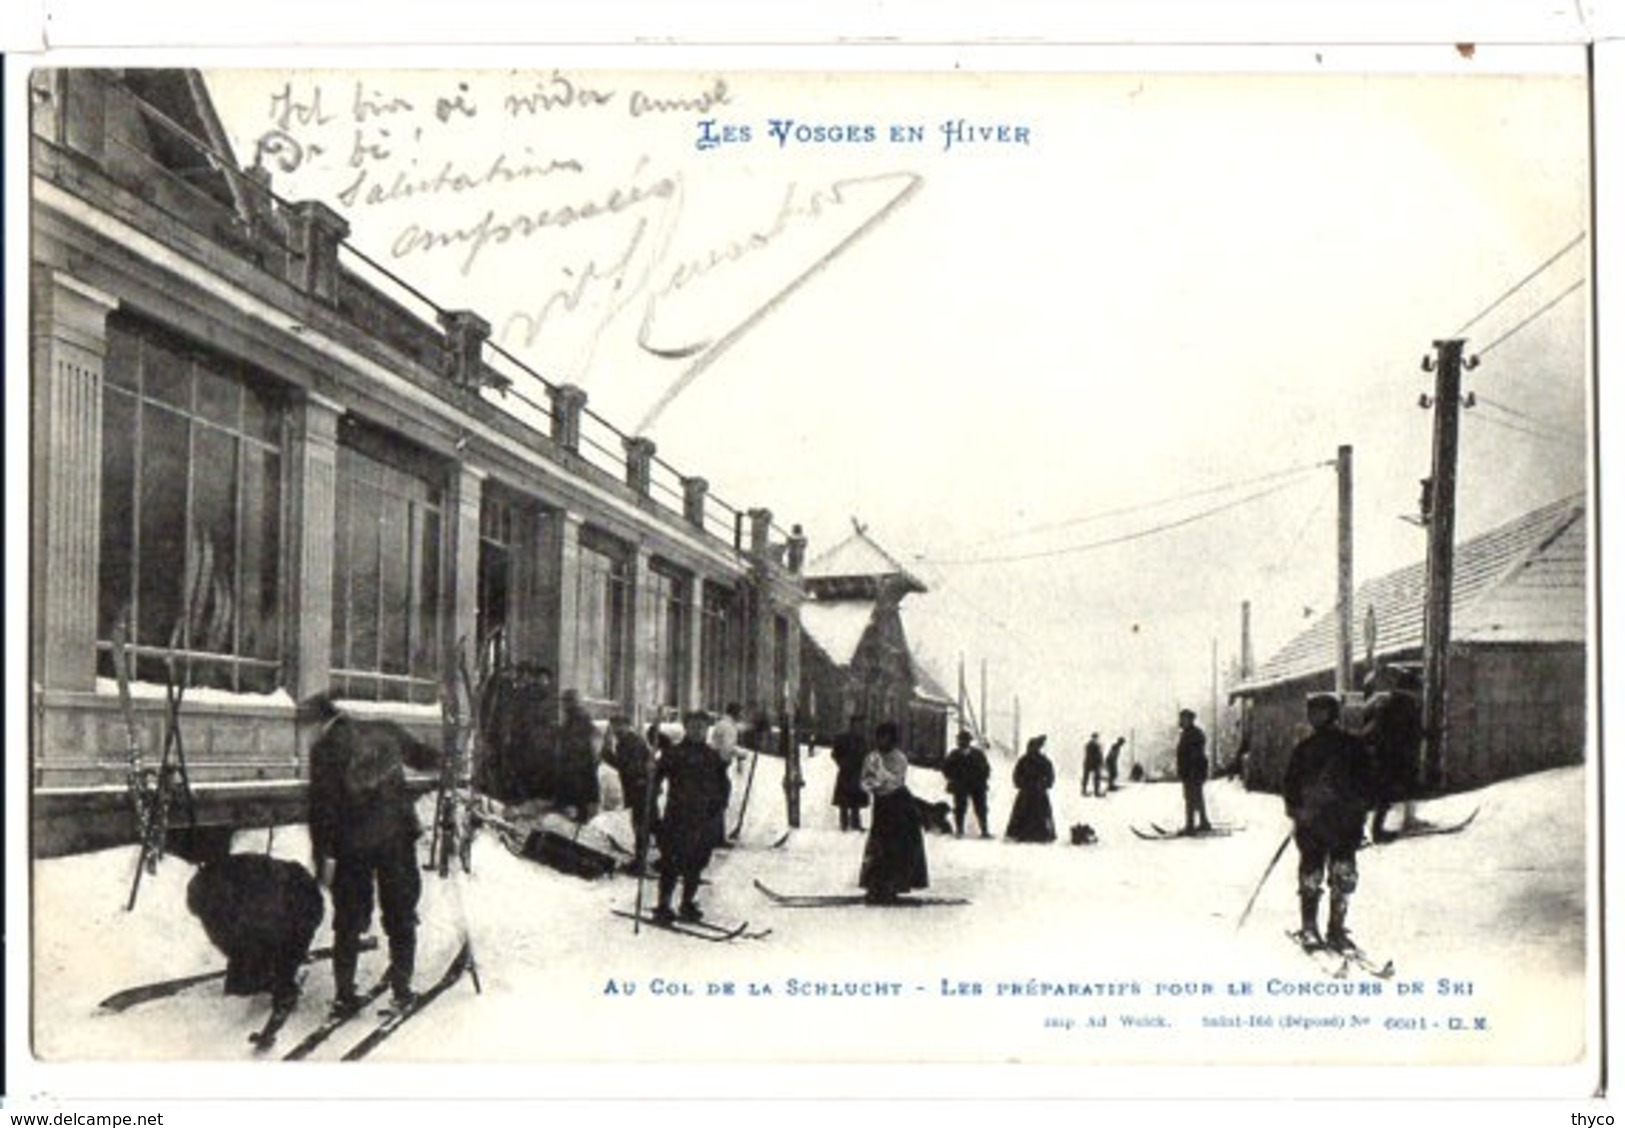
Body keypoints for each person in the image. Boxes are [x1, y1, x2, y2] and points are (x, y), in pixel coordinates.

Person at [306, 693, 439, 1015]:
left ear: (317, 723)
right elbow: (423, 758)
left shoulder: (323, 750)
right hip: (396, 838)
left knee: (348, 918)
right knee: (400, 911)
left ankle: (344, 994)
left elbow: (321, 807)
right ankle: (402, 989)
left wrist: (322, 853)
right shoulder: (385, 730)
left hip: (353, 844)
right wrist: (447, 757)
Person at [1283, 692, 1378, 951]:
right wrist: (1296, 810)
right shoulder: (1304, 750)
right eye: (1311, 712)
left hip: (1342, 823)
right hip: (1314, 824)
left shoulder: (1352, 747)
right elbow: (1291, 786)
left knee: (1342, 877)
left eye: (1319, 711)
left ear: (1332, 714)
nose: (1314, 717)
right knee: (1313, 876)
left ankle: (1335, 929)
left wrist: (1361, 808)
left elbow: (1368, 783)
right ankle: (1310, 928)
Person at [185, 850, 324, 1025]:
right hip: (247, 898)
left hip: (282, 901)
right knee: (254, 943)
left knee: (272, 945)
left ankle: (264, 981)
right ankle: (249, 981)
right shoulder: (219, 890)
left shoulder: (290, 897)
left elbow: (273, 937)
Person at [650, 711, 731, 923]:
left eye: (702, 727)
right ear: (686, 728)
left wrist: (719, 805)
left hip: (703, 819)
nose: (698, 731)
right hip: (677, 817)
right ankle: (663, 906)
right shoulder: (673, 753)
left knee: (696, 863)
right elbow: (655, 779)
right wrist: (652, 782)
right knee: (671, 863)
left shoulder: (712, 756)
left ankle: (687, 903)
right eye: (694, 726)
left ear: (707, 730)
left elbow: (724, 785)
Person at [858, 721, 930, 903]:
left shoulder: (899, 758)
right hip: (882, 806)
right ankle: (877, 887)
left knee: (898, 847)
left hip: (900, 806)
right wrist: (873, 783)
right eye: (880, 737)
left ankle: (895, 886)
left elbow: (894, 781)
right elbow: (865, 781)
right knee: (879, 847)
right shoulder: (871, 757)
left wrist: (878, 778)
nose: (882, 741)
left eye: (886, 737)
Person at [1359, 666, 1424, 843]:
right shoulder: (1406, 705)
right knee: (1383, 797)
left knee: (1377, 797)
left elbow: (1373, 729)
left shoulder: (1385, 703)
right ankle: (1376, 832)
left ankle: (1367, 832)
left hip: (1381, 756)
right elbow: (1412, 732)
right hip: (1392, 758)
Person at [603, 715, 656, 872]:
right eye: (613, 726)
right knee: (643, 825)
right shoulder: (627, 741)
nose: (616, 730)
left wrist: (607, 755)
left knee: (643, 825)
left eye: (619, 726)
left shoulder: (630, 743)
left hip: (641, 789)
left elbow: (629, 768)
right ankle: (642, 859)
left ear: (627, 725)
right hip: (639, 789)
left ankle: (641, 862)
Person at [556, 689, 602, 822]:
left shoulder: (578, 718)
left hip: (578, 765)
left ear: (572, 702)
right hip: (577, 764)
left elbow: (580, 741)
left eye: (565, 702)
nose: (562, 705)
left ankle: (580, 822)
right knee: (577, 799)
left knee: (578, 799)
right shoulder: (573, 717)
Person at [1005, 734, 1058, 843]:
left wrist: (1043, 784)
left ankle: (1032, 834)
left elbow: (1050, 777)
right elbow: (1016, 776)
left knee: (1035, 813)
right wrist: (1025, 784)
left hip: (1034, 793)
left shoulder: (1036, 760)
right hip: (1030, 793)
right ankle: (1034, 835)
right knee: (1028, 813)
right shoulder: (1027, 760)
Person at [942, 729, 993, 838]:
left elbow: (986, 769)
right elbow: (946, 769)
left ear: (969, 742)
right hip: (961, 786)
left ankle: (984, 831)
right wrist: (954, 778)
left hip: (977, 786)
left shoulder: (978, 754)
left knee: (981, 808)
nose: (963, 743)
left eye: (965, 741)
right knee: (960, 808)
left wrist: (982, 779)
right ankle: (959, 830)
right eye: (961, 741)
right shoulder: (953, 755)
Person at [830, 713, 871, 832]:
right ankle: (844, 824)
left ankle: (856, 823)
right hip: (846, 774)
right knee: (844, 801)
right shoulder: (844, 738)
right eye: (857, 725)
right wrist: (842, 763)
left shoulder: (862, 741)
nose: (860, 728)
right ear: (852, 726)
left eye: (861, 725)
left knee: (856, 802)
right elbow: (834, 753)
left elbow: (866, 755)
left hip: (858, 774)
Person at [1175, 708, 1212, 834]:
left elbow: (1195, 754)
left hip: (1193, 771)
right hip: (1191, 771)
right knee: (1196, 797)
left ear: (1190, 720)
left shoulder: (1194, 734)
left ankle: (1190, 826)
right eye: (1181, 718)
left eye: (1183, 719)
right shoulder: (1188, 733)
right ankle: (1203, 822)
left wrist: (1191, 770)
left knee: (1191, 798)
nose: (1181, 721)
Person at [1082, 732, 1105, 798]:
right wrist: (1101, 763)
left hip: (1088, 763)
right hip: (1094, 764)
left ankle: (1084, 790)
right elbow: (1099, 755)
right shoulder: (1097, 746)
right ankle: (1096, 792)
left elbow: (1088, 755)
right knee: (1096, 778)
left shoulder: (1088, 745)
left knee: (1086, 777)